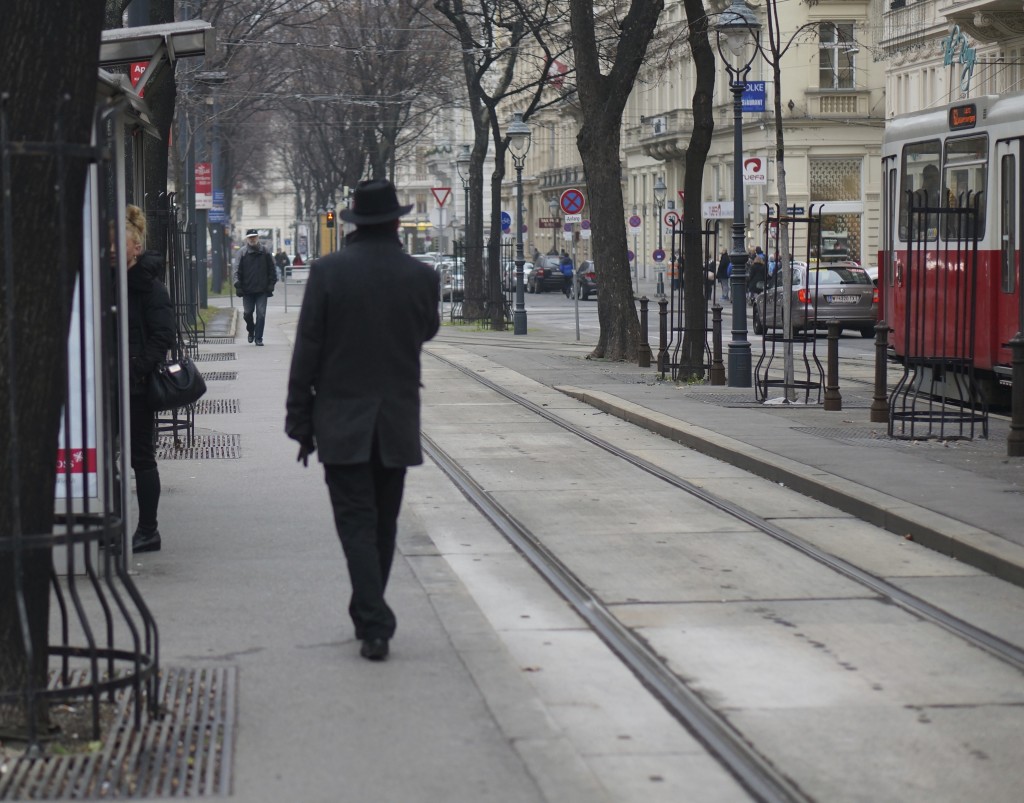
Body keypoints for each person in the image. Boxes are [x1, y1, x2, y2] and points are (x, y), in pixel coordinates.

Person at [285, 179, 440, 662]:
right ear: (396, 221)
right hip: (394, 419)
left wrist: (298, 417)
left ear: (354, 222)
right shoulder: (421, 276)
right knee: (384, 524)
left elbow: (307, 347)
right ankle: (371, 615)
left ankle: (372, 618)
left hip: (340, 420)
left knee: (355, 523)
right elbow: (427, 330)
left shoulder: (328, 272)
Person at [125, 204, 175, 553]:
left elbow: (162, 335)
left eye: (120, 241)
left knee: (141, 457)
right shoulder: (100, 281)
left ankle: (147, 530)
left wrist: (137, 368)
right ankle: (111, 524)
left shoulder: (149, 286)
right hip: (102, 384)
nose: (112, 247)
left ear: (136, 246)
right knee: (101, 458)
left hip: (136, 384)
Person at [233, 229, 277, 346]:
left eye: (254, 237)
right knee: (247, 313)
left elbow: (272, 268)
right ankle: (251, 330)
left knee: (261, 314)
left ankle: (259, 338)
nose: (252, 239)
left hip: (262, 290)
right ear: (247, 239)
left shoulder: (265, 251)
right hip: (247, 290)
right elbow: (236, 270)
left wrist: (271, 283)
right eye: (250, 237)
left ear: (257, 237)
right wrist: (237, 284)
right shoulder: (242, 252)